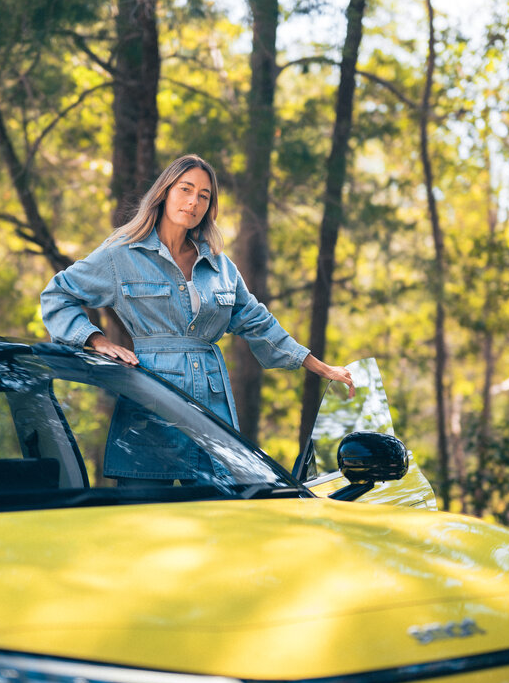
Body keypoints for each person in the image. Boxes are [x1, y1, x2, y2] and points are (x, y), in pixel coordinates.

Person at [41, 154, 354, 477]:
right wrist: (96, 340)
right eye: (185, 189)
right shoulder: (121, 255)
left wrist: (320, 366)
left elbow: (258, 322)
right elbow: (57, 295)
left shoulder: (220, 266)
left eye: (204, 196)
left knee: (219, 505)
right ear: (164, 192)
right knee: (147, 508)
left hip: (212, 413)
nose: (193, 202)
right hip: (149, 410)